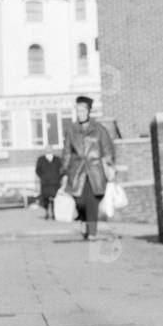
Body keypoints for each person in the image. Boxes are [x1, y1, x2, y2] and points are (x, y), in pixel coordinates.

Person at [60, 95, 114, 241]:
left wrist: (109, 166)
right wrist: (64, 172)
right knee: (80, 201)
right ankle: (82, 218)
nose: (80, 113)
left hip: (95, 171)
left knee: (92, 202)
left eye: (83, 110)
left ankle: (92, 232)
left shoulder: (99, 129)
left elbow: (107, 149)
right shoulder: (71, 130)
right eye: (78, 110)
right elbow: (66, 152)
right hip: (77, 171)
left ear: (89, 111)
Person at [35, 147, 63, 219]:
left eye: (50, 150)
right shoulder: (41, 159)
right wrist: (43, 177)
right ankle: (47, 213)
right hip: (45, 184)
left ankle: (54, 214)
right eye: (47, 150)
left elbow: (61, 170)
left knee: (55, 200)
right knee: (45, 200)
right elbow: (38, 170)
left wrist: (58, 177)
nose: (49, 152)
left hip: (55, 183)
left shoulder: (57, 159)